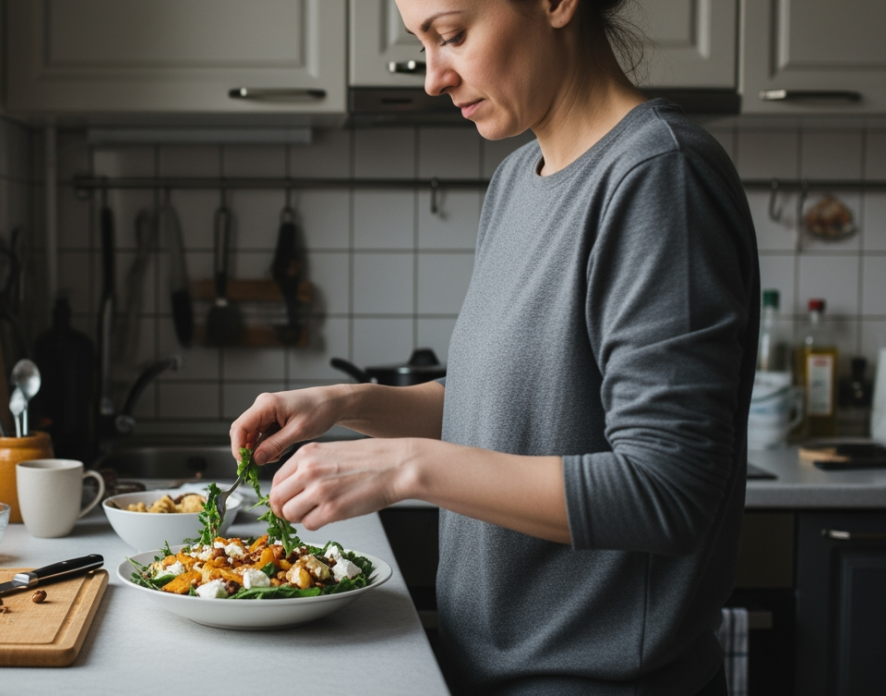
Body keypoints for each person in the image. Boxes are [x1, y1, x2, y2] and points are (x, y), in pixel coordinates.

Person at [229, 0, 759, 693]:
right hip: (484, 671)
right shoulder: (517, 180)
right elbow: (505, 409)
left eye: (451, 35)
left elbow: (667, 491)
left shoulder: (659, 175)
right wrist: (347, 404)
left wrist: (407, 468)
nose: (432, 77)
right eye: (421, 44)